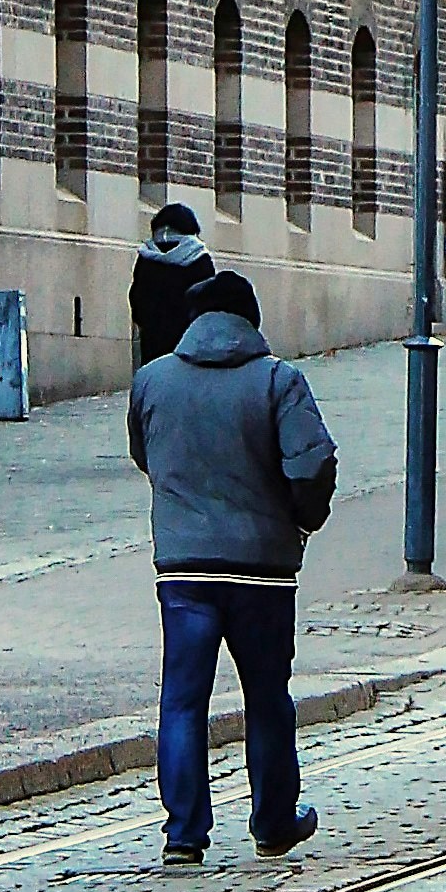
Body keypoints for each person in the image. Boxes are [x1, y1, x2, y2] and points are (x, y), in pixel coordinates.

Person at [128, 292, 336, 862]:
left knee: (181, 700)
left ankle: (184, 833)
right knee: (267, 696)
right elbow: (311, 463)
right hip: (262, 568)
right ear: (251, 322)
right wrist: (303, 519)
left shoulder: (152, 380)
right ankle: (272, 820)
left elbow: (145, 453)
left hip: (183, 568)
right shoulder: (278, 381)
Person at [130, 198, 240, 369]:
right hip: (189, 340)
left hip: (153, 338)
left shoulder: (147, 256)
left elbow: (136, 297)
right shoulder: (198, 257)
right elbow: (208, 299)